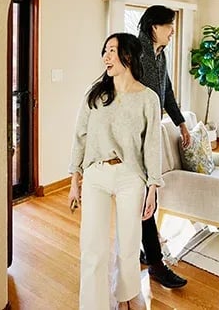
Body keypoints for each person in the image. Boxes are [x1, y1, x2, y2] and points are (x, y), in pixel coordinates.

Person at [67, 32, 163, 309]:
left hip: (130, 175)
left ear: (128, 56)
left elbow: (153, 146)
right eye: (105, 51)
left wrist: (153, 188)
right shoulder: (95, 93)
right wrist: (75, 179)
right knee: (92, 249)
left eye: (112, 50)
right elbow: (80, 136)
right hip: (95, 174)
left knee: (129, 246)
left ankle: (127, 296)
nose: (106, 57)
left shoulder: (149, 99)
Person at [135, 5, 190, 289]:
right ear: (154, 27)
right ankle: (156, 264)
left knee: (144, 200)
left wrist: (181, 123)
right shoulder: (135, 53)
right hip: (133, 139)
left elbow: (166, 92)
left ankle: (143, 252)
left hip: (150, 135)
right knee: (145, 200)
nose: (172, 31)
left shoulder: (160, 54)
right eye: (169, 26)